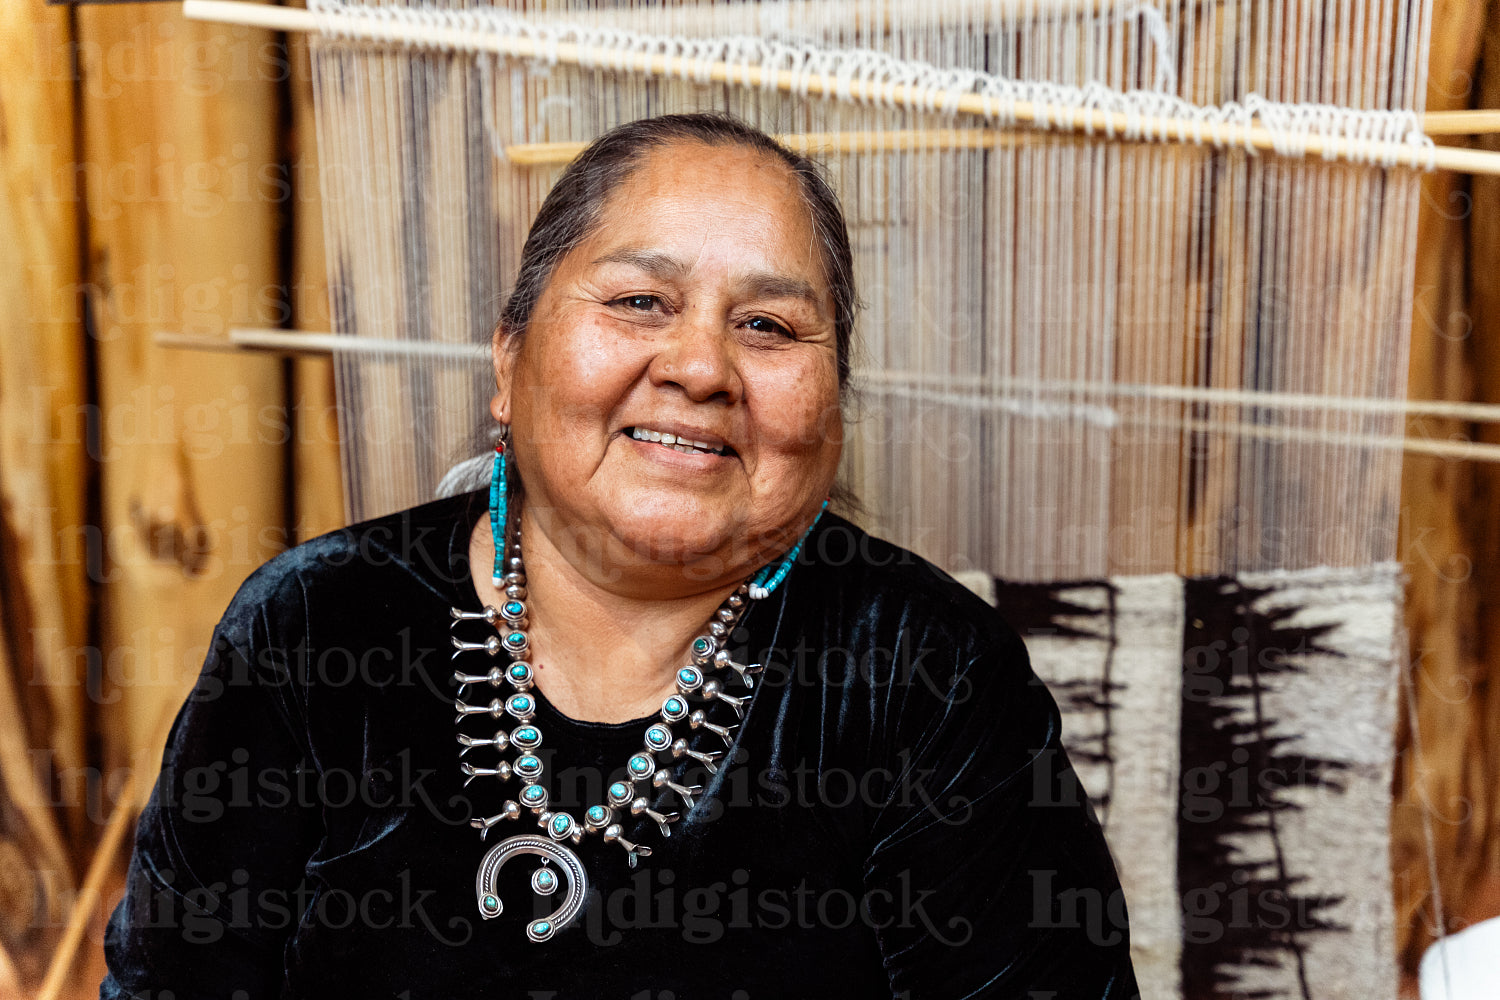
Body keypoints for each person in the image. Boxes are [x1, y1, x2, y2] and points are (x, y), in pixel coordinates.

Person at [102, 113, 1138, 999]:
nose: (699, 365)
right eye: (641, 300)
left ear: (830, 411)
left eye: (769, 325)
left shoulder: (929, 675)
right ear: (508, 359)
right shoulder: (315, 629)